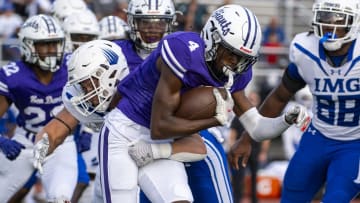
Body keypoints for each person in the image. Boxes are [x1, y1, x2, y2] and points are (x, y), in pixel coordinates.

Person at [100, 4, 308, 202]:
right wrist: (213, 119)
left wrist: (284, 120)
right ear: (212, 38)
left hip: (161, 141)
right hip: (126, 129)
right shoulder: (183, 51)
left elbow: (256, 127)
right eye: (230, 54)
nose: (235, 63)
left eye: (242, 58)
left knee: (180, 199)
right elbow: (160, 127)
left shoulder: (234, 72)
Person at [229, 0, 360, 202]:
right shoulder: (305, 50)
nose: (330, 27)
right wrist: (247, 138)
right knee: (292, 194)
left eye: (338, 20)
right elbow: (280, 96)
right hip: (319, 136)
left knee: (337, 197)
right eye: (325, 19)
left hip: (354, 143)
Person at [0, 14, 78, 203]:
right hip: (24, 143)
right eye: (44, 44)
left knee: (61, 198)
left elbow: (87, 104)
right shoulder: (13, 75)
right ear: (28, 45)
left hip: (61, 143)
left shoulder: (73, 66)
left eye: (55, 43)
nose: (52, 50)